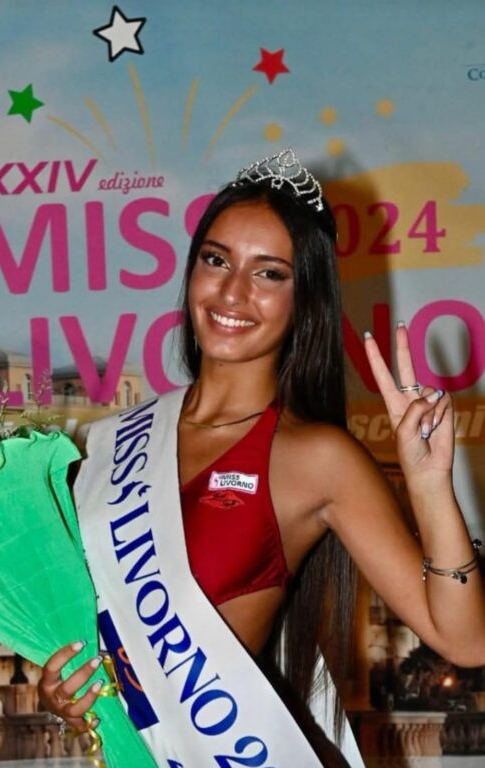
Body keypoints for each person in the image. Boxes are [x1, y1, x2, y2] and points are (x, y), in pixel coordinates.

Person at [38, 149, 485, 767]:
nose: (232, 291)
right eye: (216, 260)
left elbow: (466, 641)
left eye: (269, 273)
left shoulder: (314, 457)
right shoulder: (108, 445)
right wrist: (67, 692)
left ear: (306, 299)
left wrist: (430, 484)